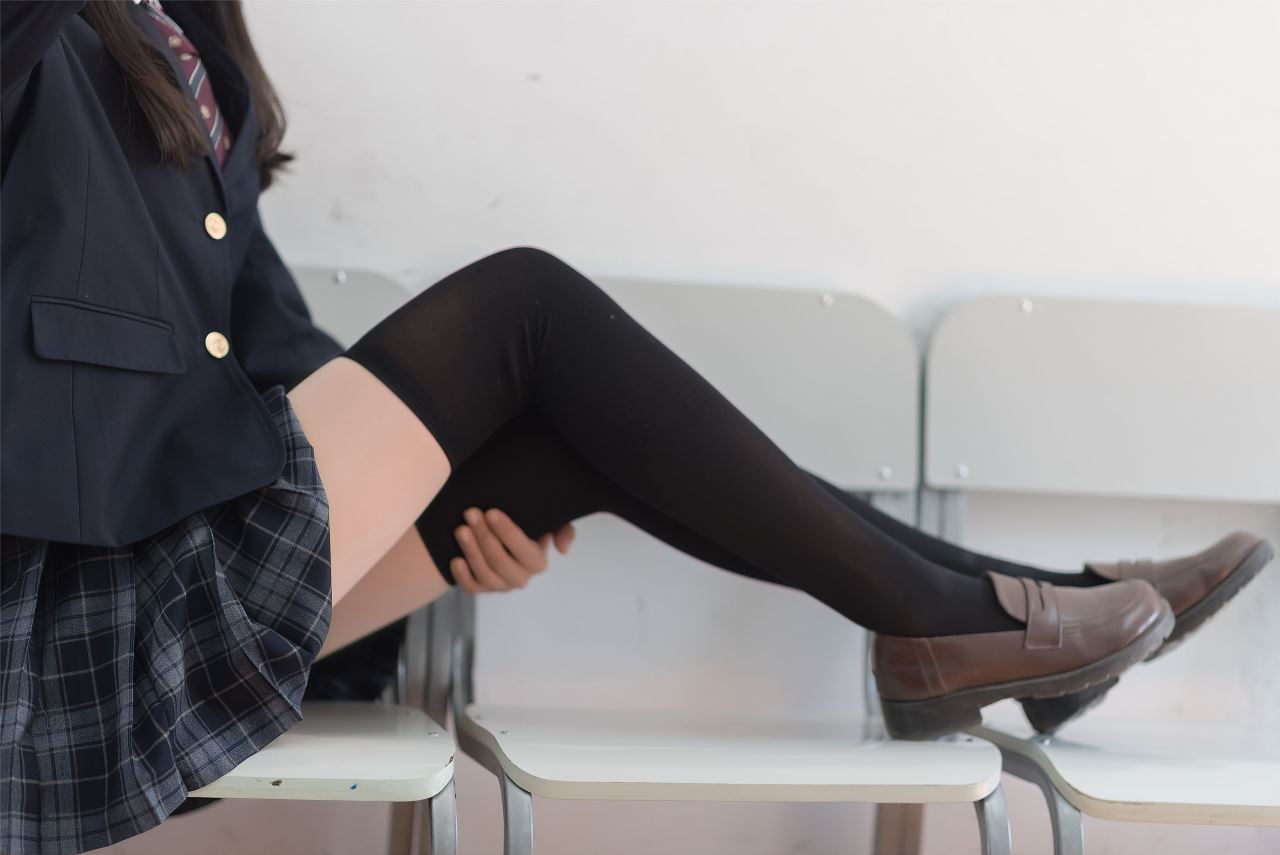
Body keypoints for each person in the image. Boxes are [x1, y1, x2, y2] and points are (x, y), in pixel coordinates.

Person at [0, 2, 1272, 852]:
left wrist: (425, 471)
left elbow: (270, 344)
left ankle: (985, 611)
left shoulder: (181, 32)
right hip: (68, 612)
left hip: (180, 543)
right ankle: (963, 624)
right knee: (525, 307)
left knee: (555, 448)